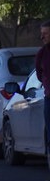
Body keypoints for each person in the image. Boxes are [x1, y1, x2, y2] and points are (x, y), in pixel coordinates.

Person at [34, 19, 50, 158]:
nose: (42, 37)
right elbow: (39, 75)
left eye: (45, 33)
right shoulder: (42, 53)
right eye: (42, 33)